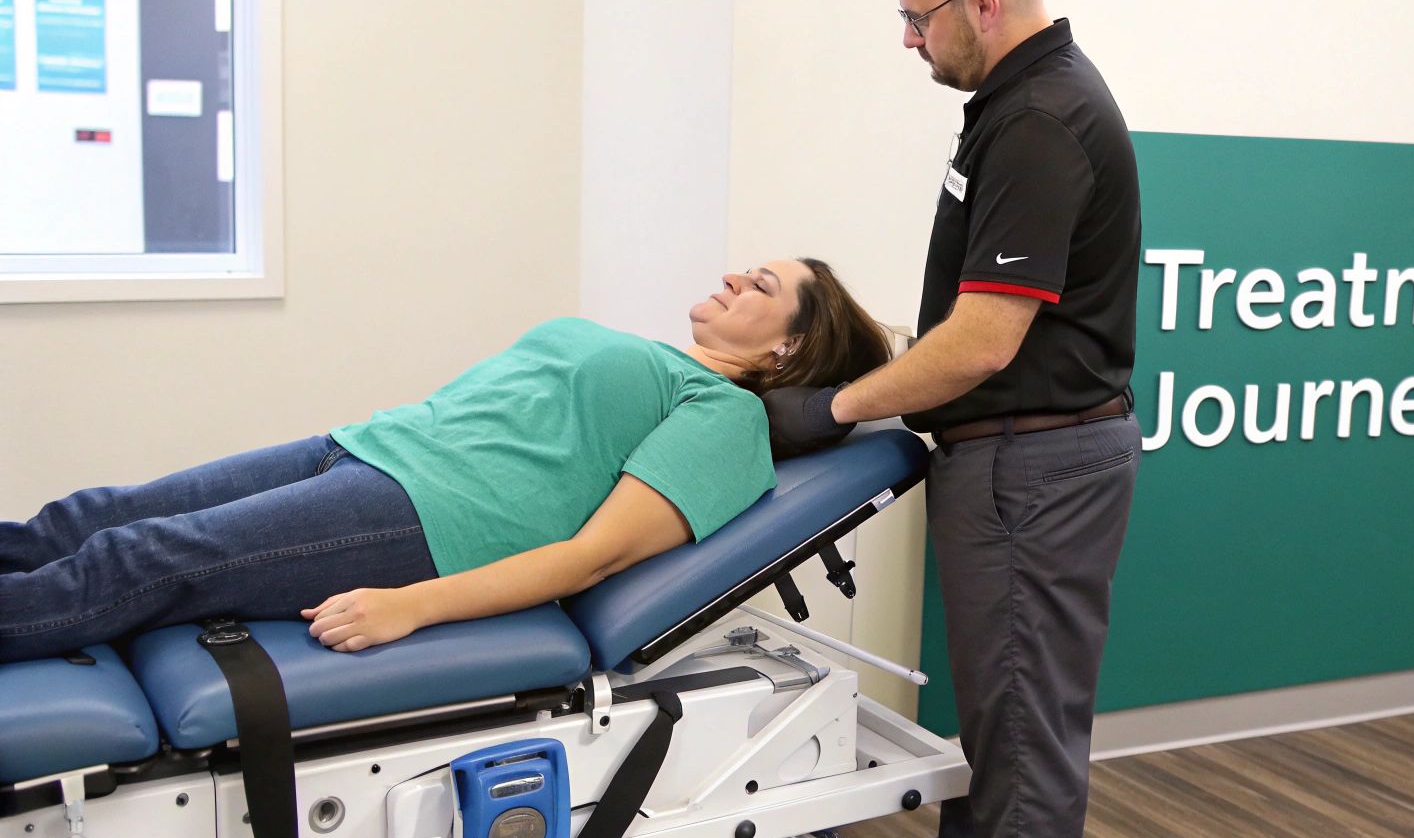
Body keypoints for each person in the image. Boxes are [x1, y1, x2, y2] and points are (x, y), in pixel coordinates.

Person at [765, 0, 1143, 838]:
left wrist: (830, 408)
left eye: (917, 17)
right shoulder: (1016, 106)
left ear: (982, 1)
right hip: (1019, 459)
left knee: (1022, 738)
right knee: (1006, 723)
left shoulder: (1040, 120)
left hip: (1033, 466)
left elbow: (980, 343)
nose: (907, 38)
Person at [0, 258, 890, 664]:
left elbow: (598, 556)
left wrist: (411, 609)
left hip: (426, 518)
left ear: (787, 351)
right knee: (89, 518)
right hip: (364, 448)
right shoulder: (659, 359)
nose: (736, 276)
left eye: (763, 288)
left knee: (146, 560)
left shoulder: (725, 417)